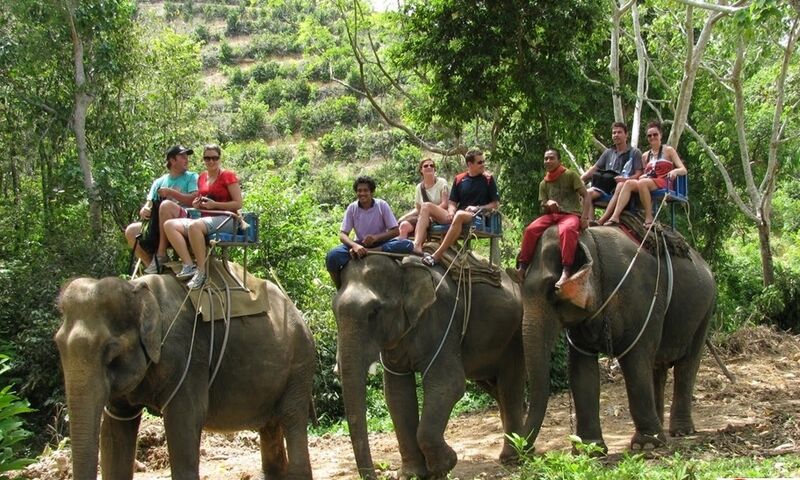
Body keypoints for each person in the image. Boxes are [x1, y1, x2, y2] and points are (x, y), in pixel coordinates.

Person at [163, 144, 242, 290]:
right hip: (205, 219)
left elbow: (238, 203)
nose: (211, 161)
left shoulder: (228, 176)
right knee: (169, 224)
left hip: (227, 218)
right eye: (207, 158)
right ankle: (188, 265)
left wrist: (215, 205)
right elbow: (199, 199)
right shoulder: (202, 177)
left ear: (219, 158)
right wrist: (196, 204)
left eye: (214, 158)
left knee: (195, 226)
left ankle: (202, 272)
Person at [514, 149, 592, 286]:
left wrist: (584, 218)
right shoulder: (543, 183)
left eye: (551, 158)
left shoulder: (570, 175)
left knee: (567, 230)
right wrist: (547, 204)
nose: (548, 161)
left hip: (570, 214)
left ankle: (566, 270)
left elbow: (586, 196)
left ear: (559, 160)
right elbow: (543, 204)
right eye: (546, 159)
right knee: (530, 230)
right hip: (552, 216)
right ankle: (523, 267)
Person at [325, 176, 413, 288]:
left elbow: (395, 231)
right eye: (359, 191)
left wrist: (375, 238)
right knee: (332, 256)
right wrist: (355, 245)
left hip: (382, 244)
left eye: (365, 190)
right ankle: (339, 287)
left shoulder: (382, 205)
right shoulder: (352, 208)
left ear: (372, 192)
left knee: (407, 245)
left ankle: (369, 251)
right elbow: (343, 234)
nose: (362, 193)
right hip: (359, 244)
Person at [125, 145, 199, 274]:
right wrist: (145, 210)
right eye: (182, 156)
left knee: (166, 205)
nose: (186, 159)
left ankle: (161, 254)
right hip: (158, 225)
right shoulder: (159, 181)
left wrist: (172, 193)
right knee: (131, 231)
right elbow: (149, 203)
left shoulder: (192, 177)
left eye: (187, 156)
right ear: (172, 160)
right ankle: (153, 267)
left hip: (184, 222)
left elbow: (194, 199)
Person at [600, 121, 687, 228]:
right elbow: (645, 174)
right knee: (629, 183)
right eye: (649, 135)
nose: (652, 137)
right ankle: (615, 216)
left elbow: (683, 169)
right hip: (648, 182)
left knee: (642, 183)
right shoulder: (646, 155)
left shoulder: (669, 150)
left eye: (655, 134)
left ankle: (649, 217)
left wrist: (674, 171)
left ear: (660, 135)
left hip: (664, 182)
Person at [421, 149, 499, 267]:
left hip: (477, 215)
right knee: (426, 206)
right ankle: (417, 246)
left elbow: (495, 204)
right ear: (469, 164)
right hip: (458, 215)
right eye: (480, 162)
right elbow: (452, 201)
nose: (483, 164)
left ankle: (436, 256)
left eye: (483, 161)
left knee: (459, 215)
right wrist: (451, 211)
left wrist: (477, 207)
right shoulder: (459, 179)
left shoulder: (488, 179)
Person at [581, 122, 643, 221]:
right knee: (586, 194)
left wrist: (626, 179)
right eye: (614, 133)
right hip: (605, 185)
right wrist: (580, 180)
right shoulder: (608, 153)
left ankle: (603, 220)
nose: (616, 135)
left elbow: (639, 173)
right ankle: (590, 224)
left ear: (626, 135)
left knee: (620, 185)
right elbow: (593, 169)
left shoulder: (634, 153)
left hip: (622, 186)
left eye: (619, 132)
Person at [397, 158, 449, 248]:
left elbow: (445, 204)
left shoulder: (442, 182)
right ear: (421, 170)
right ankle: (401, 250)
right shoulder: (419, 187)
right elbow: (417, 209)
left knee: (426, 206)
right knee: (404, 225)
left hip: (441, 215)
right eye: (426, 166)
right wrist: (404, 217)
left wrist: (429, 212)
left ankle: (417, 245)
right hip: (424, 217)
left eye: (431, 165)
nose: (429, 167)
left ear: (434, 169)